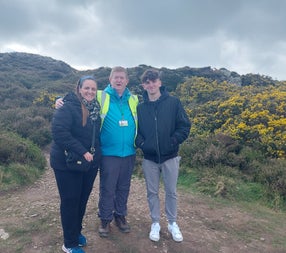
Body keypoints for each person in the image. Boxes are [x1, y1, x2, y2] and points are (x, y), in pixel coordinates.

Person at [55, 67, 138, 238]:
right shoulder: (102, 95)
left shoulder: (134, 99)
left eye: (122, 78)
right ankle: (105, 219)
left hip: (128, 152)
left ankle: (120, 216)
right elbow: (78, 97)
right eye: (116, 77)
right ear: (110, 79)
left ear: (127, 80)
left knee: (124, 187)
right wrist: (59, 100)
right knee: (107, 188)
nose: (119, 81)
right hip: (108, 151)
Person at [135, 69, 191, 243]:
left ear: (159, 82)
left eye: (154, 81)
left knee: (171, 192)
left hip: (170, 156)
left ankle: (172, 223)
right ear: (144, 86)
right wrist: (142, 144)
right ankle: (155, 223)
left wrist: (173, 141)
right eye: (147, 82)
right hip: (149, 158)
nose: (151, 85)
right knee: (152, 192)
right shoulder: (140, 107)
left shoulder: (174, 102)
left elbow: (184, 126)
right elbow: (136, 131)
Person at [50, 76, 101, 253]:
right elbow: (59, 133)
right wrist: (83, 151)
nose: (90, 92)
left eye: (93, 89)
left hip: (87, 165)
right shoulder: (67, 106)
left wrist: (95, 158)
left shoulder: (95, 107)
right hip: (67, 163)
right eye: (86, 88)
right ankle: (69, 243)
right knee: (70, 201)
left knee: (81, 200)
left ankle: (75, 232)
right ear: (79, 88)